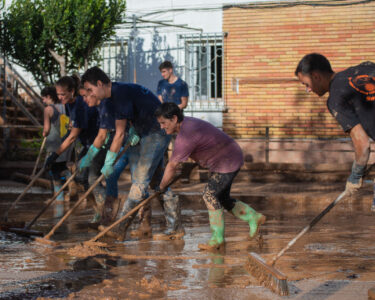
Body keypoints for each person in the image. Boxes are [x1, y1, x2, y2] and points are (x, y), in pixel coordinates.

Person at [81, 66, 183, 241]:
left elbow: (119, 134)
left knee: (140, 181)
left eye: (90, 90)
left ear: (100, 84)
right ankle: (175, 228)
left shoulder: (120, 94)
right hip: (143, 132)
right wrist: (135, 129)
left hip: (157, 132)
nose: (90, 94)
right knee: (157, 181)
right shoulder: (110, 98)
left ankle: (119, 228)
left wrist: (108, 162)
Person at [155, 102, 266, 252]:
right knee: (222, 199)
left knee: (209, 195)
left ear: (174, 119)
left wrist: (161, 187)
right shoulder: (187, 125)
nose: (162, 127)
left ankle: (217, 239)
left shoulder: (186, 135)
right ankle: (253, 217)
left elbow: (172, 166)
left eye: (163, 123)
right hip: (226, 158)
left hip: (227, 160)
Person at [295, 53, 375, 210]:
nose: (308, 90)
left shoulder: (336, 98)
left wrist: (356, 175)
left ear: (316, 76)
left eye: (306, 84)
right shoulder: (365, 68)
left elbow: (363, 144)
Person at [44, 75, 100, 221]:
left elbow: (73, 136)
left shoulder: (81, 105)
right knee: (82, 179)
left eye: (63, 94)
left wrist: (54, 155)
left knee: (86, 176)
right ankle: (98, 211)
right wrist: (59, 146)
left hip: (98, 142)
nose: (60, 97)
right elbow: (71, 129)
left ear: (72, 91)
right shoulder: (68, 104)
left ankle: (105, 207)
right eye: (58, 94)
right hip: (87, 143)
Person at [41, 86, 72, 216]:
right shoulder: (65, 107)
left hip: (54, 144)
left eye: (43, 97)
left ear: (48, 97)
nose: (42, 100)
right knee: (62, 166)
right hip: (66, 141)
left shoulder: (48, 109)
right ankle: (70, 179)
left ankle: (59, 199)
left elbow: (47, 129)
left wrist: (43, 133)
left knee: (54, 170)